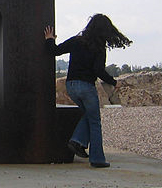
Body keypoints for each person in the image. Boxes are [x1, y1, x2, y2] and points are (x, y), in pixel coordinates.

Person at [45, 14, 132, 168]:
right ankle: (95, 157)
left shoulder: (76, 41)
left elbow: (55, 51)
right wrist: (113, 82)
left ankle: (78, 141)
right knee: (95, 121)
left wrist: (50, 38)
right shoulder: (98, 47)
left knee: (88, 115)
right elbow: (98, 70)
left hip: (71, 86)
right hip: (86, 87)